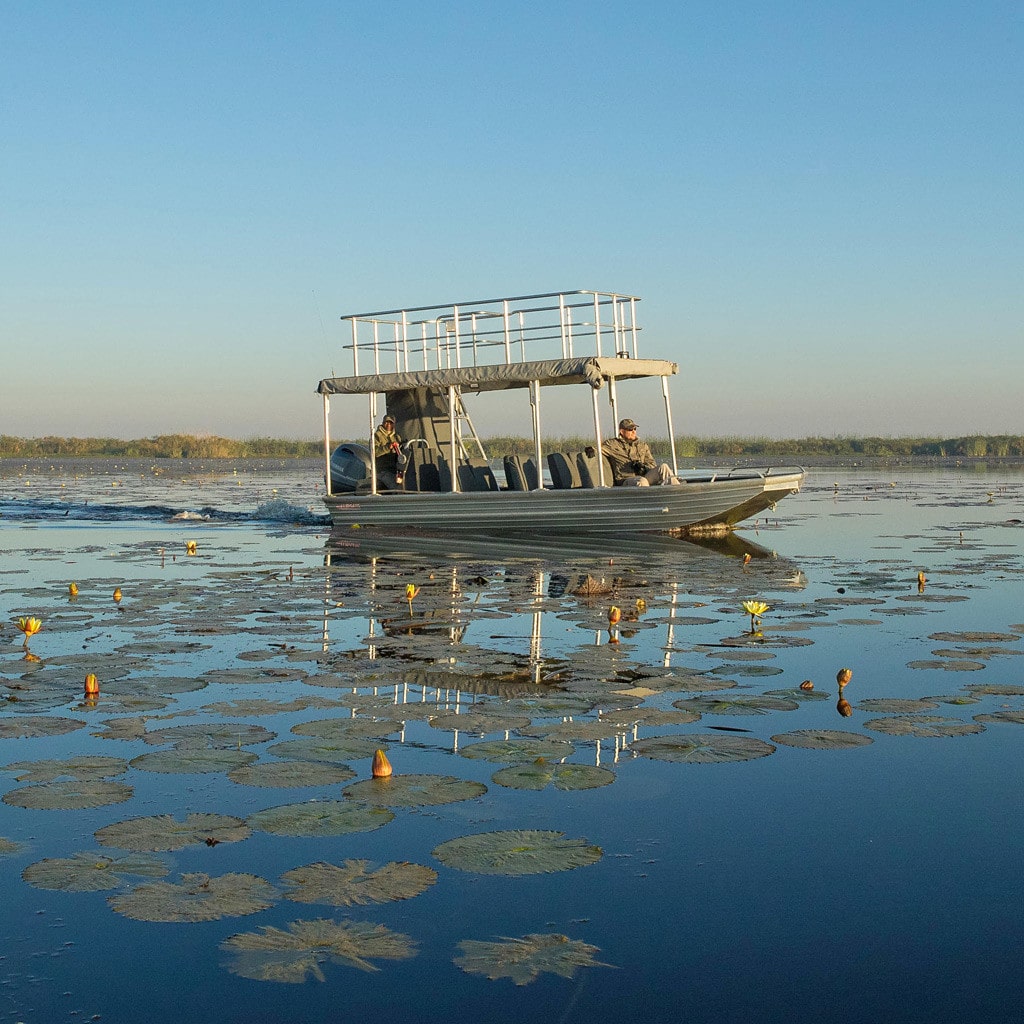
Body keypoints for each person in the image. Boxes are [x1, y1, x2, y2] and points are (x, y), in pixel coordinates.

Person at [601, 418, 679, 486]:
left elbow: (652, 463)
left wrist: (643, 467)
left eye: (635, 429)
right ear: (622, 431)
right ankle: (646, 502)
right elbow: (598, 449)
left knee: (663, 467)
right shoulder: (612, 444)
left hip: (644, 476)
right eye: (630, 430)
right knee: (641, 481)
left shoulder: (642, 445)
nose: (633, 431)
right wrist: (590, 450)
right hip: (626, 479)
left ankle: (678, 493)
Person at [372, 414, 407, 488]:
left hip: (396, 470)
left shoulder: (397, 437)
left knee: (406, 483)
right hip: (383, 470)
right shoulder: (376, 436)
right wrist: (388, 447)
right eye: (386, 422)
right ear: (383, 423)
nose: (388, 424)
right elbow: (375, 452)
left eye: (391, 423)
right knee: (394, 486)